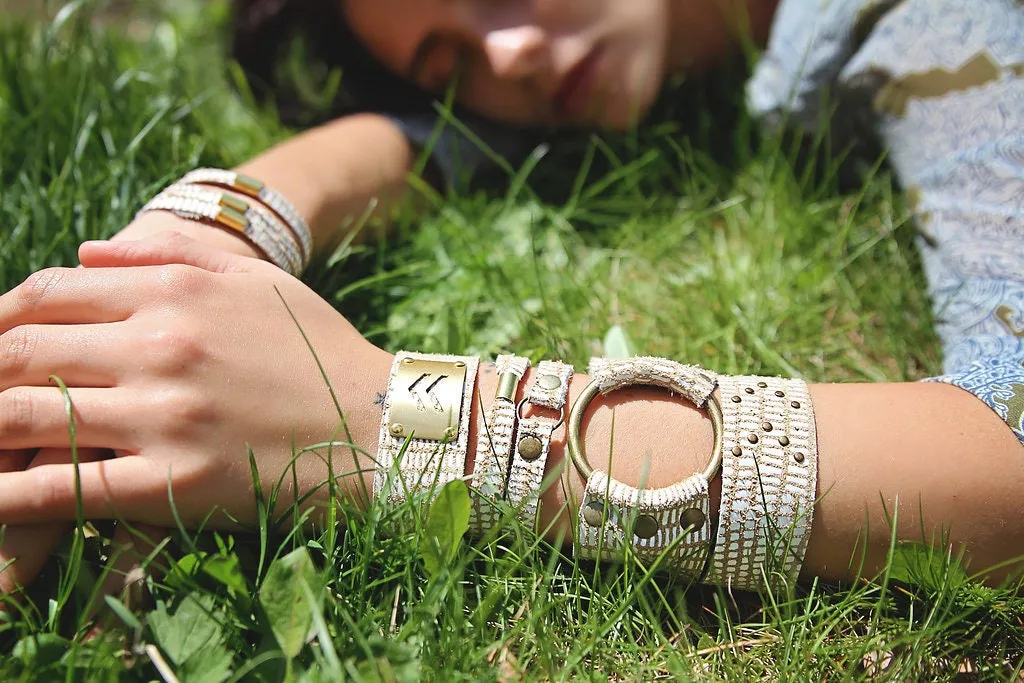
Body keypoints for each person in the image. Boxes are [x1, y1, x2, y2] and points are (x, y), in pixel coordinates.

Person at [0, 0, 1022, 598]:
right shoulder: (686, 51)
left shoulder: (953, 32)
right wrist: (209, 233)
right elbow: (430, 138)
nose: (509, 54)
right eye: (451, 58)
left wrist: (381, 419)